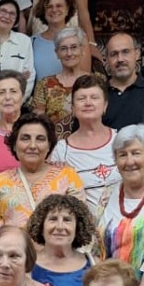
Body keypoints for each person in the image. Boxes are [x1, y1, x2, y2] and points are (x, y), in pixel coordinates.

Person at [0, 112, 84, 226]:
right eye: (25, 138)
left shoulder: (68, 176)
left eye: (40, 139)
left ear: (49, 146)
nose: (32, 145)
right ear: (14, 145)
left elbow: (80, 224)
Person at [100, 125, 144, 269]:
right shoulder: (108, 194)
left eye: (136, 153)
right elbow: (94, 247)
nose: (130, 161)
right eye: (122, 155)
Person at [29, 192, 98, 286]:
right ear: (41, 226)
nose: (59, 227)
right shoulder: (27, 265)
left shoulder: (95, 265)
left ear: (78, 227)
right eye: (53, 219)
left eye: (67, 220)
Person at [61, 74, 120, 216]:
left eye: (94, 97)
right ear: (73, 108)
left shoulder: (122, 139)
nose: (88, 103)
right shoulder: (62, 150)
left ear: (105, 105)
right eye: (81, 98)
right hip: (87, 231)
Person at [31, 23, 88, 142]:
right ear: (57, 53)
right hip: (56, 146)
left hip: (91, 143)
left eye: (73, 47)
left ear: (82, 50)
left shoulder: (97, 81)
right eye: (63, 49)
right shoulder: (45, 84)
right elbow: (39, 122)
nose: (69, 53)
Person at [0, 0, 35, 93]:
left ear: (16, 21)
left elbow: (29, 77)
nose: (6, 16)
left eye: (12, 14)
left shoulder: (24, 41)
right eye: (2, 11)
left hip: (15, 103)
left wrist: (16, 101)